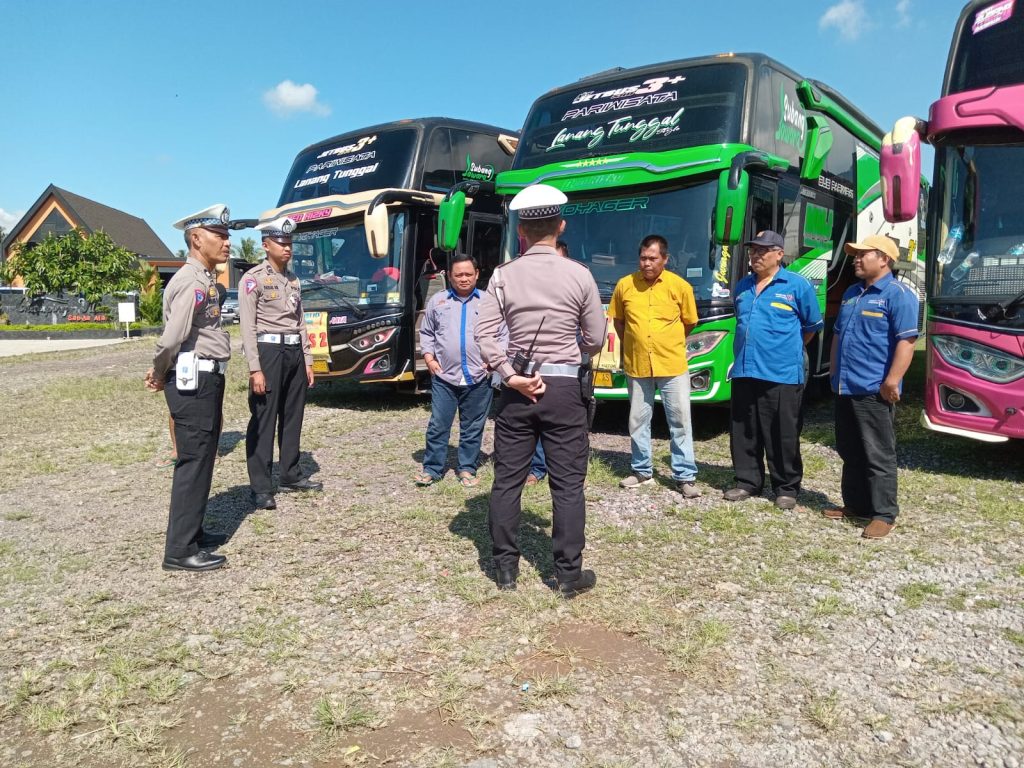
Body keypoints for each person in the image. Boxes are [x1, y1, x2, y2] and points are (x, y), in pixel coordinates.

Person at [476, 184, 606, 597]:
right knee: (567, 484)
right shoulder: (580, 275)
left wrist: (509, 375)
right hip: (565, 387)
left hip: (516, 387)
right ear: (560, 225)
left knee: (507, 480)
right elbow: (596, 338)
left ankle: (505, 569)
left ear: (522, 232)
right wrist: (569, 354)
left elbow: (484, 334)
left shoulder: (502, 275)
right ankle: (568, 576)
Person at [144, 204, 233, 572]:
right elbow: (172, 339)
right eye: (220, 236)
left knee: (204, 457)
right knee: (193, 461)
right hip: (192, 378)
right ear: (196, 239)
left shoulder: (207, 279)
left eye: (228, 236)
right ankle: (179, 551)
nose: (227, 243)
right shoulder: (192, 282)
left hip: (205, 376)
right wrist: (158, 371)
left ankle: (192, 531)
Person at [826, 234, 919, 539]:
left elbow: (906, 341)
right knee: (850, 451)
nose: (855, 258)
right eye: (855, 254)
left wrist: (892, 381)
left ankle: (884, 513)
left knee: (878, 453)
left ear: (884, 259)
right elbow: (838, 334)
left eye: (863, 254)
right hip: (846, 386)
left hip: (873, 389)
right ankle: (856, 505)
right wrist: (834, 373)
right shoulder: (853, 292)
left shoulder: (898, 294)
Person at [724, 230, 823, 509]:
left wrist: (784, 350)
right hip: (745, 369)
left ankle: (786, 487)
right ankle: (747, 481)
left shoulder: (796, 285)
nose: (756, 255)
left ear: (779, 254)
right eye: (753, 250)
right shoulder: (743, 286)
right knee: (745, 430)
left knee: (783, 432)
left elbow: (811, 328)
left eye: (763, 251)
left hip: (781, 372)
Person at [239, 216, 323, 511]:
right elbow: (248, 327)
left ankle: (291, 473)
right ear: (266, 245)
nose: (287, 248)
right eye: (281, 243)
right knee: (264, 419)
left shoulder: (293, 279)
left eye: (290, 243)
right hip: (268, 352)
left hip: (294, 354)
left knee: (292, 416)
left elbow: (300, 322)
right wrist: (254, 368)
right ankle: (261, 487)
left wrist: (308, 359)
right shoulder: (253, 279)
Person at [608, 235, 701, 497]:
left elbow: (689, 322)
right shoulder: (625, 285)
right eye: (643, 258)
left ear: (665, 259)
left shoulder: (679, 286)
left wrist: (667, 341)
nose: (647, 263)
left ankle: (684, 476)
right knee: (637, 419)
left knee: (680, 420)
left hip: (671, 364)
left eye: (653, 258)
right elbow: (619, 321)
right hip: (637, 365)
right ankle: (641, 470)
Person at [415, 253, 494, 488]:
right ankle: (432, 468)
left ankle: (467, 468)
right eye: (458, 274)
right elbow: (427, 332)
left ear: (477, 274)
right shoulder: (437, 301)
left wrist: (494, 361)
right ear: (449, 276)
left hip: (478, 376)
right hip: (444, 376)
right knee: (439, 424)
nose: (463, 279)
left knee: (472, 426)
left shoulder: (488, 301)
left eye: (468, 274)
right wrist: (428, 358)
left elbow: (502, 333)